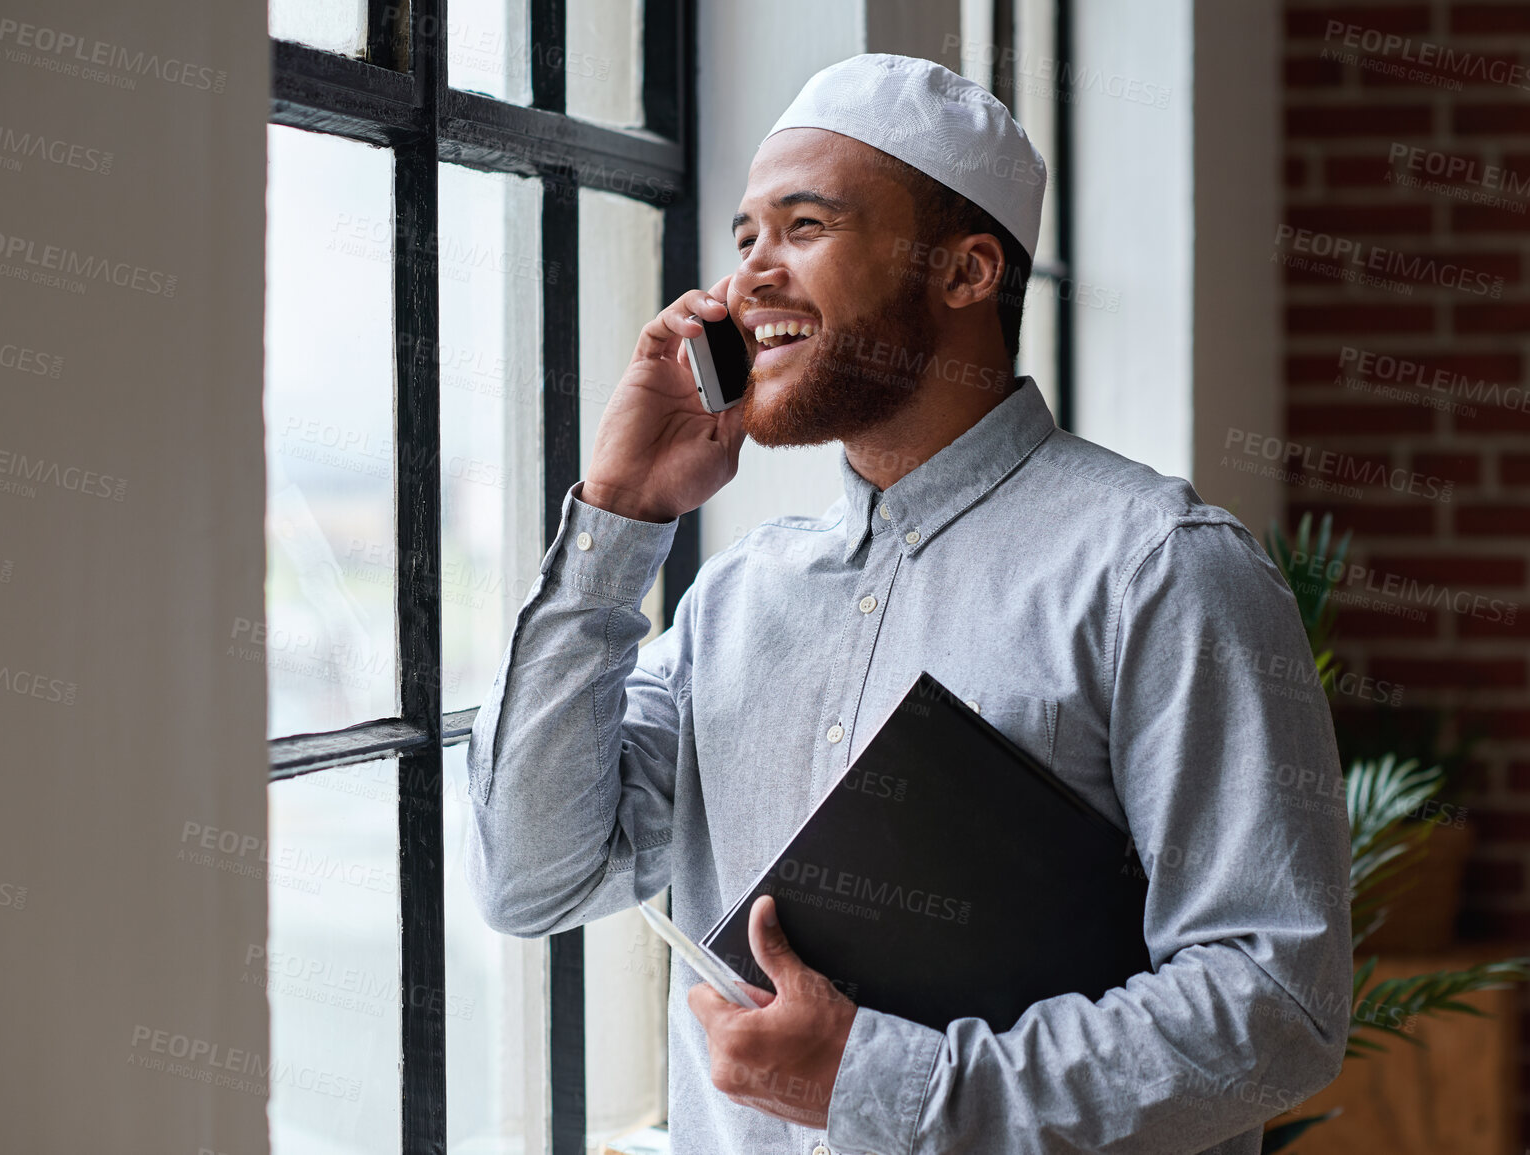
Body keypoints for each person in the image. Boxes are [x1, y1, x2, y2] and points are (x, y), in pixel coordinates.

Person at [466, 52, 1351, 1155]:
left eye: (805, 228)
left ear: (967, 272)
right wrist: (617, 520)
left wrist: (887, 1085)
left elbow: (1276, 1010)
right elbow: (534, 878)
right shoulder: (738, 597)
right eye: (744, 237)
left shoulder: (1161, 571)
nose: (748, 280)